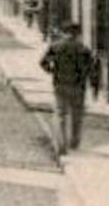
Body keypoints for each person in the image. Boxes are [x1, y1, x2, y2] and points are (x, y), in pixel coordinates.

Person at [40, 21, 99, 154]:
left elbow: (43, 62)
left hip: (60, 85)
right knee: (77, 115)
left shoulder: (56, 46)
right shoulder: (83, 49)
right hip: (78, 86)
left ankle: (61, 146)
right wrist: (89, 82)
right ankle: (74, 142)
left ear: (64, 32)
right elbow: (91, 69)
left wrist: (52, 71)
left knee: (61, 115)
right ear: (78, 34)